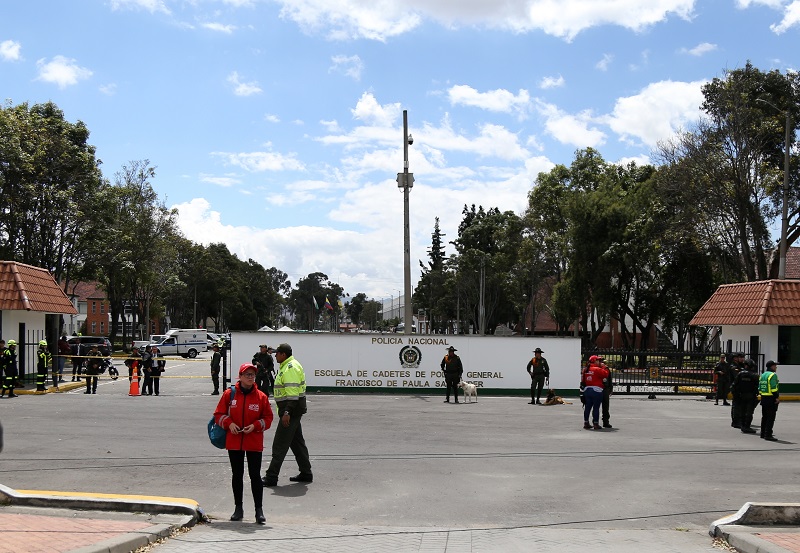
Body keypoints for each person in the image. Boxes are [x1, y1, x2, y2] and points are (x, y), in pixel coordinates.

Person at [214, 363, 273, 524]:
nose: (250, 377)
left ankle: (259, 511)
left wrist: (255, 426)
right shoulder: (229, 394)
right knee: (237, 475)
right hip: (234, 441)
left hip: (253, 441)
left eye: (252, 374)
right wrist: (229, 423)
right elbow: (218, 414)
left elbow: (268, 419)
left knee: (255, 476)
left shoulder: (261, 397)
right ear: (240, 376)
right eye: (247, 374)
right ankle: (238, 508)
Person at [263, 343, 312, 487]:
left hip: (291, 411)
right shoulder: (287, 365)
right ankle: (306, 473)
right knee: (297, 444)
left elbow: (293, 395)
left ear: (283, 354)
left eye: (277, 353)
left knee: (279, 444)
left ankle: (271, 476)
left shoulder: (290, 368)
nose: (275, 355)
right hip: (292, 411)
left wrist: (286, 413)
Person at [581, 355, 609, 430]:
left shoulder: (585, 369)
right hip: (597, 390)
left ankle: (586, 422)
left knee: (587, 407)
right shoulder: (597, 369)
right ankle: (596, 424)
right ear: (595, 361)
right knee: (596, 408)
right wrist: (604, 367)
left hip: (587, 390)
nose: (599, 362)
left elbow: (583, 381)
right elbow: (606, 374)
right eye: (598, 360)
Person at [732, 359, 759, 434]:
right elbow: (758, 386)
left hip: (741, 396)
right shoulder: (755, 375)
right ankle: (746, 427)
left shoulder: (740, 374)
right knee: (749, 412)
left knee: (742, 411)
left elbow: (734, 385)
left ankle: (743, 426)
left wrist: (736, 395)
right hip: (751, 396)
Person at [759, 360, 780, 441]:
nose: (776, 367)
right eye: (775, 366)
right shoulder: (773, 375)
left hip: (764, 398)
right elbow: (774, 388)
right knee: (770, 417)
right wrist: (776, 398)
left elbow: (760, 388)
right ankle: (768, 434)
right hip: (771, 398)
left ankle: (763, 433)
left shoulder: (763, 375)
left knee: (764, 417)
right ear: (771, 366)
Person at [728, 352, 745, 427]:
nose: (741, 359)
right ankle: (735, 421)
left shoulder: (740, 365)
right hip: (736, 388)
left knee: (739, 405)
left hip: (740, 388)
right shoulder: (733, 367)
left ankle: (739, 420)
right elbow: (738, 377)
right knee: (736, 405)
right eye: (739, 357)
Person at [599, 356, 613, 428]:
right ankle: (596, 422)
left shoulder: (606, 368)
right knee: (597, 406)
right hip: (599, 388)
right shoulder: (596, 369)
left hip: (605, 389)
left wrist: (611, 388)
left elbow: (609, 379)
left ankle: (605, 421)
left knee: (605, 406)